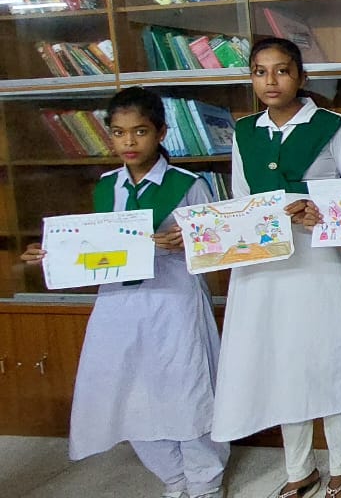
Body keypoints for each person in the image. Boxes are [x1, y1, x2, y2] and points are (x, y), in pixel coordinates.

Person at [21, 86, 228, 498]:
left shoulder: (187, 184)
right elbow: (92, 247)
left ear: (162, 132)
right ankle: (173, 477)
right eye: (118, 133)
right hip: (117, 303)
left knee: (186, 387)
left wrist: (187, 244)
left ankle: (204, 481)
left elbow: (217, 246)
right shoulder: (106, 186)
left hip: (173, 300)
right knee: (129, 387)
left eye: (140, 131)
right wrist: (49, 253)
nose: (129, 142)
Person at [211, 37, 341, 498]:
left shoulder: (333, 127)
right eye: (260, 72)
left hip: (317, 260)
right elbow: (241, 201)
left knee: (328, 358)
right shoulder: (244, 132)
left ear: (301, 76)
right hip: (264, 265)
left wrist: (318, 211)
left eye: (281, 70)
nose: (270, 81)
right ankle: (299, 467)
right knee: (280, 361)